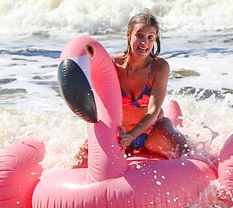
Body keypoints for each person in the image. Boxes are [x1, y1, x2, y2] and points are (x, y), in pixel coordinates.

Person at [74, 9, 189, 167]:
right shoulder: (111, 65)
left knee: (188, 154)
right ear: (129, 35)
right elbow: (94, 102)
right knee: (77, 164)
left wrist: (132, 135)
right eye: (139, 35)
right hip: (116, 134)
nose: (145, 43)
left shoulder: (159, 68)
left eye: (150, 37)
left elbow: (153, 111)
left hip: (151, 132)